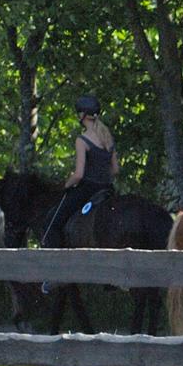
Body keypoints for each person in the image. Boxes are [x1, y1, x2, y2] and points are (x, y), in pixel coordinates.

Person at [41, 94, 119, 251]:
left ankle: (54, 256)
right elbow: (115, 169)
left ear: (82, 115)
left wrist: (65, 185)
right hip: (107, 190)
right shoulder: (107, 138)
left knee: (53, 221)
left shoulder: (82, 140)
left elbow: (78, 175)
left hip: (87, 189)